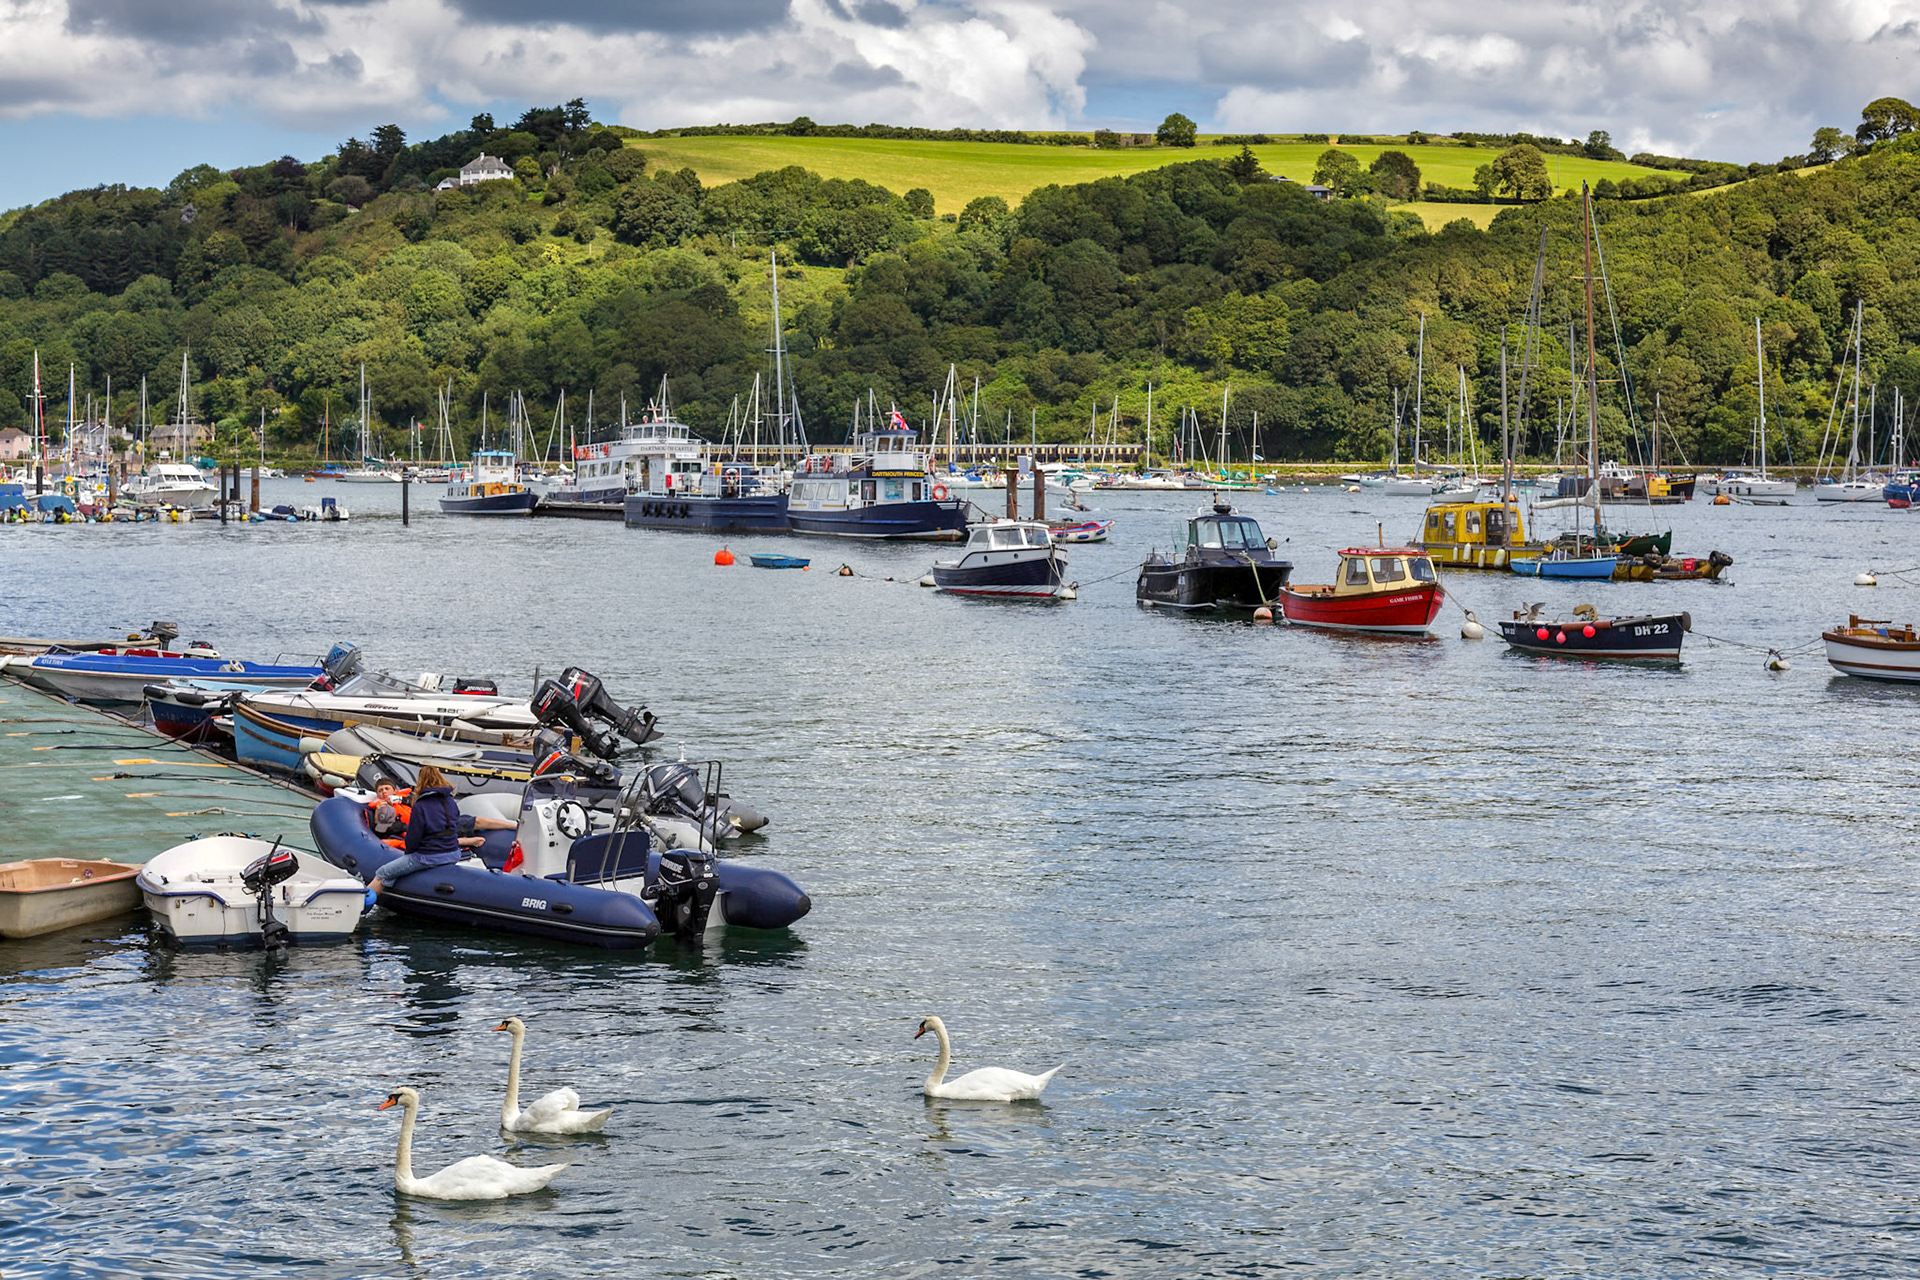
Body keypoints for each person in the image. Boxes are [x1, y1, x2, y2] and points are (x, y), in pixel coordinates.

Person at [366, 765, 471, 906]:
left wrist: (409, 854)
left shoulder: (421, 805)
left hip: (429, 856)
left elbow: (413, 838)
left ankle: (360, 908)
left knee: (383, 873)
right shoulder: (450, 801)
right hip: (453, 853)